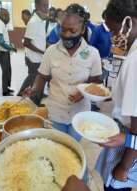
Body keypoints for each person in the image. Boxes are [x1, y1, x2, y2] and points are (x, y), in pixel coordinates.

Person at [24, 4, 102, 141]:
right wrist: (34, 92)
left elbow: (96, 80)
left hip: (80, 114)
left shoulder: (93, 53)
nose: (66, 35)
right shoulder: (51, 52)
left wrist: (84, 92)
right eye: (63, 30)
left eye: (72, 31)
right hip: (56, 112)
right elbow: (42, 76)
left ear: (83, 29)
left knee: (72, 146)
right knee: (56, 147)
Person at [95, 1, 137, 191]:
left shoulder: (135, 59)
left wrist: (123, 166)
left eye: (113, 29)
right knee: (113, 186)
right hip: (127, 138)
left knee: (116, 185)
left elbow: (136, 127)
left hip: (129, 147)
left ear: (127, 23)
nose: (112, 37)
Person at [18, 0, 49, 96]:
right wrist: (42, 51)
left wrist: (46, 47)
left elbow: (39, 39)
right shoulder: (33, 22)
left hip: (38, 57)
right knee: (35, 79)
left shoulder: (40, 21)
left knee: (33, 77)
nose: (46, 8)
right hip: (34, 58)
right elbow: (26, 43)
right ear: (36, 6)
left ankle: (23, 94)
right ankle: (34, 99)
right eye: (44, 6)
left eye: (47, 5)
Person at [0, 8, 16, 96]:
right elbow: (1, 41)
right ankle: (5, 91)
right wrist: (10, 48)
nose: (9, 18)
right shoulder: (0, 24)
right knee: (5, 71)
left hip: (5, 51)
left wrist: (9, 45)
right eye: (8, 15)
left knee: (7, 70)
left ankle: (6, 88)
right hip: (3, 52)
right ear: (3, 16)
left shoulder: (2, 24)